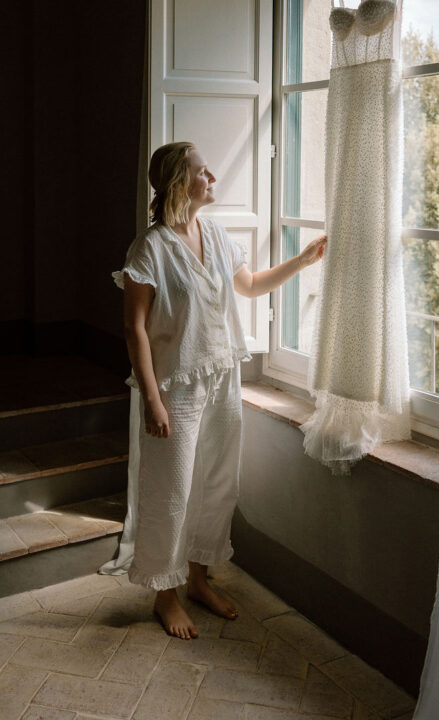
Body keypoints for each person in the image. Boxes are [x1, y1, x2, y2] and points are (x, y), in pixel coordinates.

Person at [112, 141, 326, 639]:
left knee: (214, 484)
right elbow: (135, 330)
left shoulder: (217, 235)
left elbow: (248, 286)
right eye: (202, 172)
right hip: (175, 388)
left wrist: (302, 260)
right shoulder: (151, 248)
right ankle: (165, 595)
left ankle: (197, 580)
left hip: (222, 377)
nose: (211, 177)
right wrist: (151, 398)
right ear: (178, 183)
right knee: (172, 491)